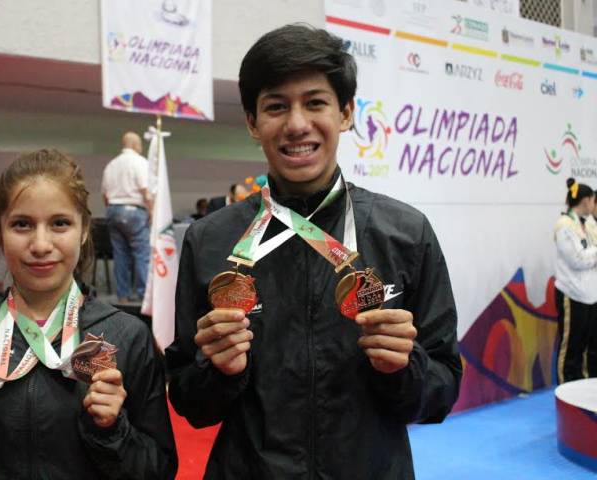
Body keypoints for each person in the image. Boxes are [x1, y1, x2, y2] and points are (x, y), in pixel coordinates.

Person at [166, 24, 461, 479]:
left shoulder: (405, 233)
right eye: (276, 106)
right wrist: (218, 372)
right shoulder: (210, 240)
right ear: (252, 122)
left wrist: (405, 368)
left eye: (315, 102)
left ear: (345, 113)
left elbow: (443, 389)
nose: (297, 124)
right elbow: (189, 399)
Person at [0, 149, 177, 479]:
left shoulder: (128, 338)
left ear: (84, 230)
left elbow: (159, 470)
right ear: (0, 232)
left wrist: (112, 431)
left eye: (60, 223)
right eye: (22, 225)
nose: (41, 244)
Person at [553, 178, 597, 383]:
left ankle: (582, 388)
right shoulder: (564, 225)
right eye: (593, 200)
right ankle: (564, 388)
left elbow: (590, 253)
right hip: (571, 294)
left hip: (589, 294)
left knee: (585, 347)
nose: (593, 205)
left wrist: (592, 254)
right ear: (586, 201)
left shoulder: (586, 224)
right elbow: (577, 259)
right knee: (570, 347)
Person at [101, 131, 152, 302]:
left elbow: (105, 195)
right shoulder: (140, 162)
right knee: (141, 254)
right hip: (134, 211)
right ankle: (144, 296)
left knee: (120, 255)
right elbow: (146, 190)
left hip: (113, 209)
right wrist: (152, 212)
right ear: (135, 145)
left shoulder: (111, 164)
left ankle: (123, 295)